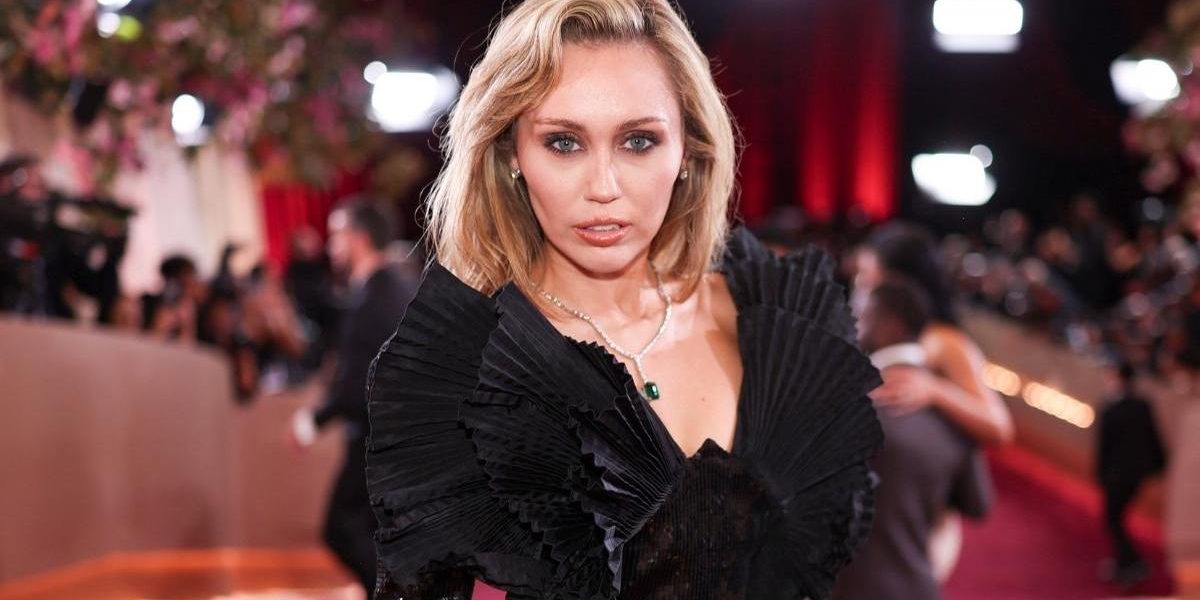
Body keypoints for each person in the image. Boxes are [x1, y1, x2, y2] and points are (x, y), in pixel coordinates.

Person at [364, 1, 883, 599]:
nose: (604, 187)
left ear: (687, 149)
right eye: (564, 143)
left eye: (639, 141)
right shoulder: (459, 375)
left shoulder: (783, 326)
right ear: (511, 156)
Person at [833, 277, 986, 600]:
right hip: (917, 588)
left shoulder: (841, 401)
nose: (853, 324)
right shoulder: (954, 415)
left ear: (890, 326)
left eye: (862, 314)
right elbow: (977, 505)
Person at [291, 200, 415, 594]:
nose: (331, 247)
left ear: (358, 239)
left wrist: (315, 420)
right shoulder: (396, 289)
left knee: (342, 528)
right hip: (398, 438)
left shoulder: (374, 298)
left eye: (336, 236)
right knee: (376, 532)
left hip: (379, 438)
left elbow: (359, 380)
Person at [1096, 360, 1167, 587]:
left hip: (1119, 474)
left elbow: (1105, 447)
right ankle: (1126, 562)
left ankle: (1131, 562)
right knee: (1115, 518)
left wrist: (1101, 474)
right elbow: (1153, 438)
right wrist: (1158, 465)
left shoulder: (1112, 408)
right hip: (1134, 473)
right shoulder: (1140, 405)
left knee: (1113, 518)